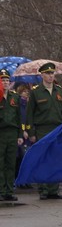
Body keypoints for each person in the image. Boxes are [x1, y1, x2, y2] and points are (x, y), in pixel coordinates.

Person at [26, 62, 62, 199]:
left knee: (56, 160)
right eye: (47, 73)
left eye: (52, 73)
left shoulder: (59, 91)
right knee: (43, 160)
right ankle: (43, 190)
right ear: (42, 75)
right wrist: (31, 132)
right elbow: (29, 114)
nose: (50, 76)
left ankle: (54, 190)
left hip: (57, 129)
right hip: (42, 129)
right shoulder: (35, 92)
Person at [0, 69, 21, 201]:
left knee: (10, 163)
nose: (5, 83)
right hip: (1, 133)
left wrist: (19, 135)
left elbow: (19, 118)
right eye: (3, 80)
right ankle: (1, 190)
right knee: (0, 163)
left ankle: (9, 190)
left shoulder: (15, 97)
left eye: (7, 80)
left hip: (12, 133)